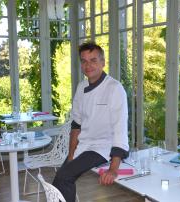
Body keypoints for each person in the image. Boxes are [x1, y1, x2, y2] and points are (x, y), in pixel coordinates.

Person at [52, 41, 129, 202]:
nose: (88, 65)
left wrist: (113, 169)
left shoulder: (114, 89)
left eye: (93, 60)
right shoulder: (81, 87)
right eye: (84, 61)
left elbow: (120, 130)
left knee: (63, 177)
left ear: (103, 62)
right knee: (60, 180)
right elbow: (76, 124)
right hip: (84, 144)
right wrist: (71, 155)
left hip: (103, 147)